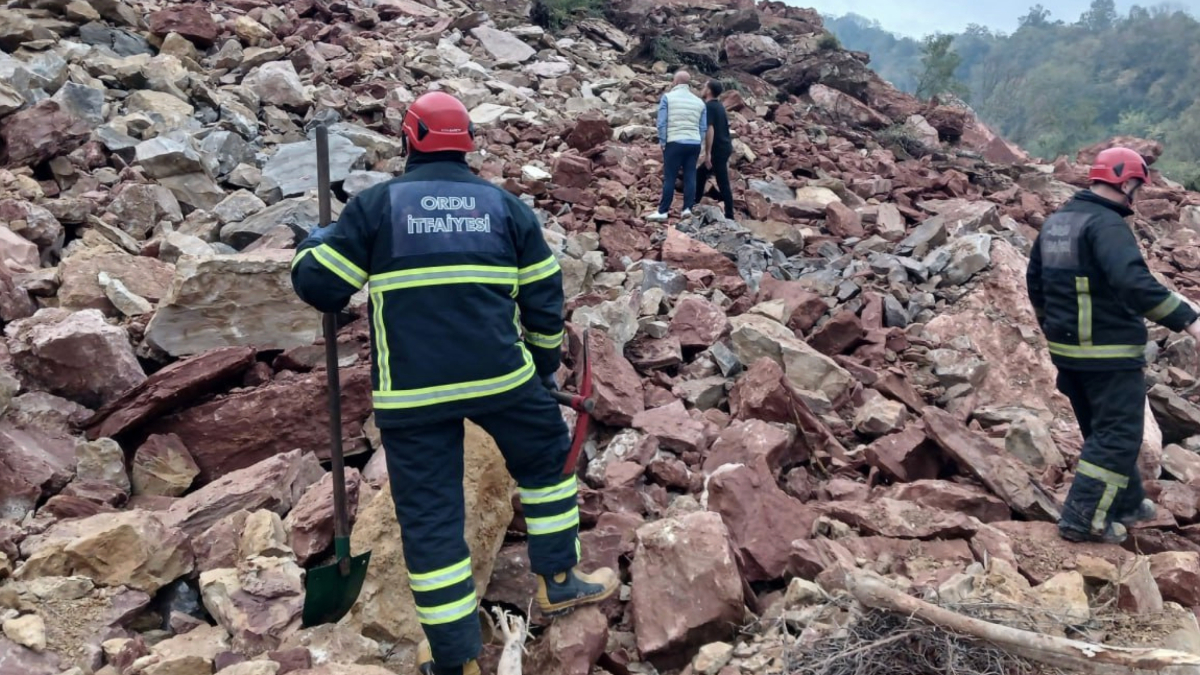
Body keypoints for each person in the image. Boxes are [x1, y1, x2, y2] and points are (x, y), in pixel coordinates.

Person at [290, 91, 619, 675]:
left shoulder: (377, 209)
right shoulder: (504, 207)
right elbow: (545, 299)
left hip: (414, 396)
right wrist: (542, 371)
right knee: (547, 465)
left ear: (409, 139)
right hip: (502, 379)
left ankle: (455, 659)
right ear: (467, 142)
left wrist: (311, 248)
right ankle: (560, 580)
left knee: (431, 520)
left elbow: (322, 288)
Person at [1026, 146, 1200, 545]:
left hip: (1068, 353)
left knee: (1102, 432)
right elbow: (1134, 283)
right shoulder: (1106, 225)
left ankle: (1127, 502)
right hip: (1107, 353)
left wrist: (1052, 327)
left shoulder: (1058, 222)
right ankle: (1081, 519)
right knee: (1119, 436)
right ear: (1127, 183)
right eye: (1137, 185)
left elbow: (1035, 282)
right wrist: (1188, 319)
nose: (1137, 193)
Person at [646, 70, 708, 223]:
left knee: (670, 178)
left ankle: (663, 211)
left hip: (674, 142)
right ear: (688, 83)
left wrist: (663, 142)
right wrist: (698, 141)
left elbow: (661, 123)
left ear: (675, 82)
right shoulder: (700, 102)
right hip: (693, 143)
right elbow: (703, 126)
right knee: (690, 176)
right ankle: (687, 209)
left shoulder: (668, 98)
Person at [695, 80, 735, 221]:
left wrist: (708, 154)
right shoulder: (719, 106)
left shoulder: (709, 107)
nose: (702, 88)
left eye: (704, 86)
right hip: (725, 146)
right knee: (700, 174)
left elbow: (710, 129)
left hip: (718, 149)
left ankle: (730, 215)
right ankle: (694, 205)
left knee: (722, 181)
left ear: (709, 91)